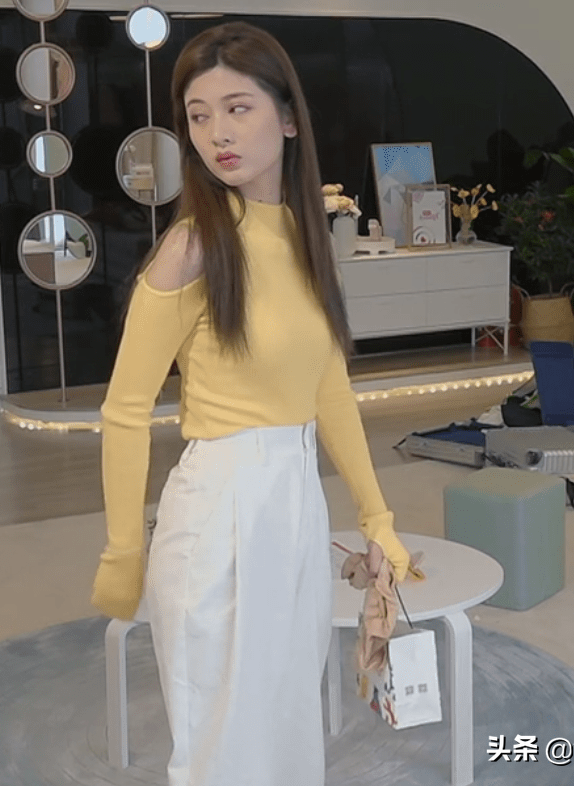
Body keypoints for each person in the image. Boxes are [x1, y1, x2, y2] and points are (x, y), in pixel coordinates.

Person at [90, 21, 412, 786]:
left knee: (287, 719)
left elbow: (328, 390)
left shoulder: (302, 235)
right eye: (198, 116)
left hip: (294, 505)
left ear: (288, 117)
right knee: (221, 743)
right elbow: (125, 410)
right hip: (218, 512)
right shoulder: (192, 246)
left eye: (237, 109)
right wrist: (122, 552)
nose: (217, 135)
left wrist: (376, 517)